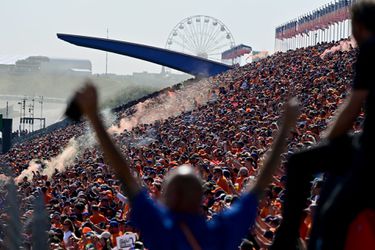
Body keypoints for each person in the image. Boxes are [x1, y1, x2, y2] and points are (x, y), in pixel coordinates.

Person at [74, 82, 299, 250]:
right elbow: (258, 185)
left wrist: (94, 116)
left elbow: (124, 173)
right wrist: (285, 128)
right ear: (200, 198)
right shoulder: (221, 232)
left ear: (167, 197)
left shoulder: (160, 228)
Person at [271, 2, 375, 250]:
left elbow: (352, 107)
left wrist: (326, 141)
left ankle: (288, 239)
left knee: (303, 166)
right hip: (365, 143)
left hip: (370, 149)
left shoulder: (372, 49)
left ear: (358, 26)